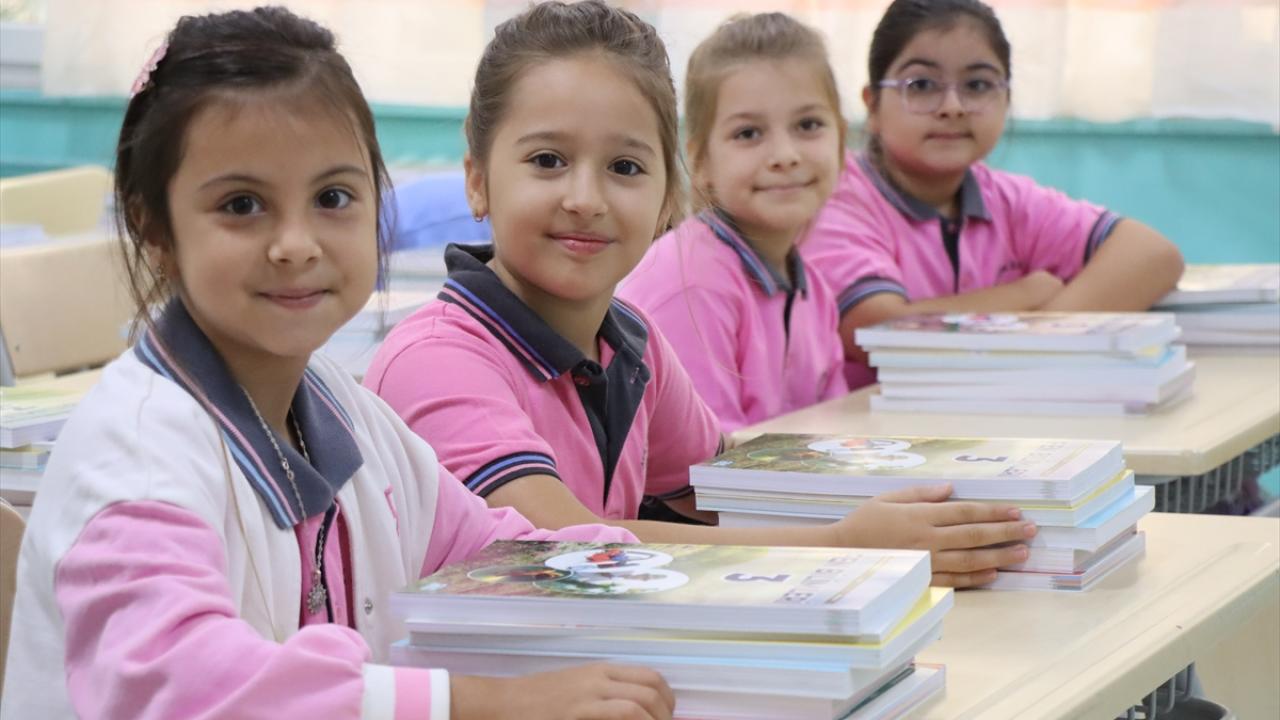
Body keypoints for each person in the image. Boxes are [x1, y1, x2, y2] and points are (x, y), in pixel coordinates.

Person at [1, 8, 678, 719]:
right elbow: (188, 683)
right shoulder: (136, 456)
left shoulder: (337, 409)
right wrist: (487, 703)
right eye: (242, 204)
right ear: (154, 226)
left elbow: (493, 550)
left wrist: (697, 580)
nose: (297, 243)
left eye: (333, 198)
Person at [365, 1, 1035, 588]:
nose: (585, 198)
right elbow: (555, 547)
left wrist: (951, 496)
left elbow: (724, 491)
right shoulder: (438, 359)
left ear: (669, 196)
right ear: (477, 180)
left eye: (625, 166)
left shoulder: (631, 342)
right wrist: (841, 545)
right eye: (548, 160)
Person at [805, 0, 1185, 388]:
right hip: (871, 422)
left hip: (991, 409)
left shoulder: (1004, 198)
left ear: (1006, 100)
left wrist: (1038, 339)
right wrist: (1025, 294)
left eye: (977, 86)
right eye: (921, 85)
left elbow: (1152, 255)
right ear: (872, 106)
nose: (953, 107)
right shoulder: (837, 196)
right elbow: (875, 327)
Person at [619, 12, 849, 433]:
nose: (785, 155)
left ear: (842, 141)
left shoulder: (812, 287)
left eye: (808, 125)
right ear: (701, 161)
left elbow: (835, 435)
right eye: (748, 133)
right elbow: (706, 461)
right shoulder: (692, 286)